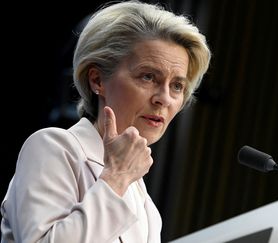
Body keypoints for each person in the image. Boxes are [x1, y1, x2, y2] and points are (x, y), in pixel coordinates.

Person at [0, 1, 211, 242]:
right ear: (97, 80)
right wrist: (117, 176)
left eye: (177, 86)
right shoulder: (53, 147)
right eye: (148, 76)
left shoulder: (143, 200)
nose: (164, 98)